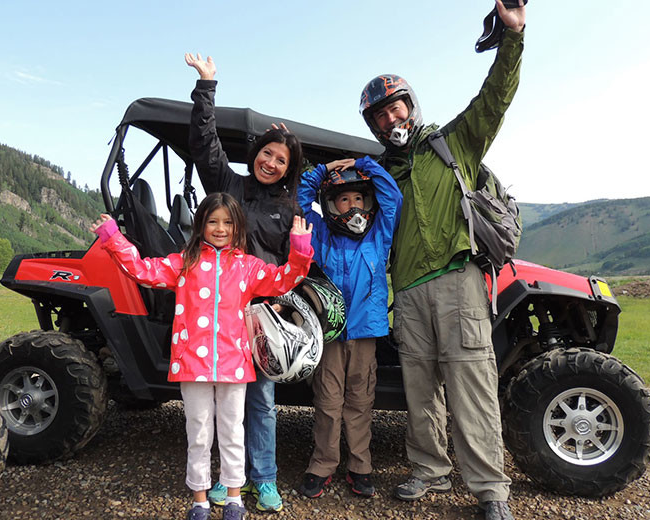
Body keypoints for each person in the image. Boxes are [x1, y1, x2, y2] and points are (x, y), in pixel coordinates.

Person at [356, 1, 526, 519]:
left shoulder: (454, 144)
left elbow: (494, 99)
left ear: (411, 105)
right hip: (406, 292)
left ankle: (490, 489)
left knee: (472, 383)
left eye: (396, 106)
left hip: (458, 280)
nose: (391, 118)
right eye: (380, 115)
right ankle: (429, 469)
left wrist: (513, 37)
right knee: (420, 388)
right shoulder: (379, 176)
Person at [90, 193, 314, 520]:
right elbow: (142, 270)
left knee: (232, 431)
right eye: (212, 221)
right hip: (192, 363)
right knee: (198, 431)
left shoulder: (249, 267)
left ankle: (234, 497)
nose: (220, 228)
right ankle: (200, 500)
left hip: (234, 365)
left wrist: (300, 246)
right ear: (201, 225)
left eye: (227, 222)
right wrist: (113, 238)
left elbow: (285, 279)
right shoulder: (185, 262)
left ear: (238, 227)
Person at [184, 52, 305, 513]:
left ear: (288, 168)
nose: (271, 163)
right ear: (255, 154)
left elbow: (291, 264)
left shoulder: (290, 208)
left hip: (260, 315)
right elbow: (203, 143)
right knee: (217, 405)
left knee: (260, 401)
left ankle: (264, 479)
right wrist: (207, 87)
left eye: (281, 159)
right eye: (267, 154)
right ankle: (226, 482)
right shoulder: (228, 185)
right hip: (216, 312)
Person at [295, 156, 402, 499]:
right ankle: (322, 464)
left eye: (358, 198)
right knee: (328, 402)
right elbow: (297, 201)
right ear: (330, 204)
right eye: (344, 199)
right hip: (329, 333)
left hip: (365, 334)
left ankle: (360, 466)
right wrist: (323, 171)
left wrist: (365, 164)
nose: (353, 206)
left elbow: (393, 197)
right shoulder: (320, 233)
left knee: (360, 402)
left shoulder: (379, 234)